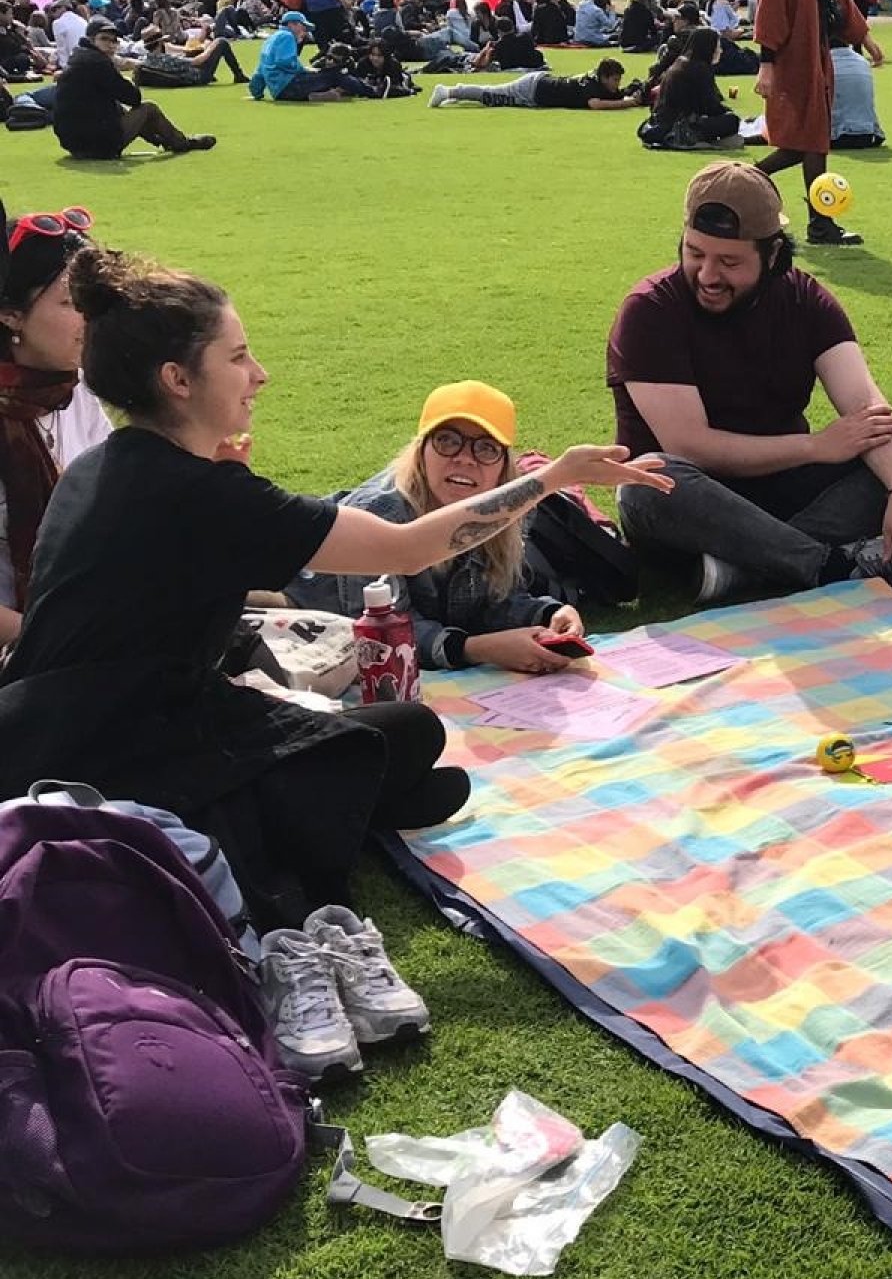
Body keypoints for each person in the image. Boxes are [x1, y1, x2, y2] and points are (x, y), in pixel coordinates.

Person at [0, 245, 671, 934]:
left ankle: (324, 802)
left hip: (42, 724)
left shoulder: (103, 467)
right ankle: (272, 820)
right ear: (177, 379)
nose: (259, 375)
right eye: (238, 357)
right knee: (393, 744)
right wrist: (553, 478)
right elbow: (408, 547)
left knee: (404, 734)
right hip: (116, 750)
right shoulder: (203, 495)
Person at [609, 163, 892, 605]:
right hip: (691, 507)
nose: (707, 275)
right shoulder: (650, 310)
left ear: (772, 254)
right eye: (695, 253)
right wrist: (815, 447)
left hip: (782, 492)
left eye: (729, 262)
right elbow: (690, 446)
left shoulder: (806, 300)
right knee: (645, 480)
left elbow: (866, 407)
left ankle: (744, 567)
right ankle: (827, 565)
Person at [285, 382, 593, 674]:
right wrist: (476, 649)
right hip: (298, 639)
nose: (465, 459)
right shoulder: (379, 514)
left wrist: (548, 614)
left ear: (504, 466)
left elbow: (494, 599)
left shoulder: (505, 509)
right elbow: (383, 636)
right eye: (448, 441)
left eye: (486, 448)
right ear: (421, 450)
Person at [0, 208, 114, 648]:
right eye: (71, 302)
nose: (92, 317)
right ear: (11, 314)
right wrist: (52, 642)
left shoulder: (75, 389)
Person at [753, 0, 870, 246]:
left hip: (814, 50)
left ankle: (748, 181)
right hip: (793, 54)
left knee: (808, 140)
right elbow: (771, 3)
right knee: (811, 139)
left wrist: (864, 37)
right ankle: (818, 222)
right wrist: (767, 62)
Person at [55, 17, 216, 157]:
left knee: (117, 107)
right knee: (149, 108)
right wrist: (130, 77)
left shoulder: (77, 58)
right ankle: (181, 143)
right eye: (104, 39)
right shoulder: (99, 63)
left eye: (114, 41)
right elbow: (134, 98)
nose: (110, 45)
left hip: (73, 144)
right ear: (91, 40)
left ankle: (163, 139)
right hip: (98, 146)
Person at [642, 28, 742, 147]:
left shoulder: (681, 62)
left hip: (662, 122)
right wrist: (727, 112)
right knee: (732, 121)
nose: (720, 51)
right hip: (679, 126)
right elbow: (709, 106)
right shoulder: (699, 68)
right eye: (718, 47)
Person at [251, 11, 375, 100]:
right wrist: (305, 70)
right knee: (335, 75)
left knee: (322, 77)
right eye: (304, 28)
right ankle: (372, 91)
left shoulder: (270, 40)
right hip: (291, 86)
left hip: (279, 93)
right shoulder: (287, 36)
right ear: (292, 24)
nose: (305, 32)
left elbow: (259, 72)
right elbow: (285, 62)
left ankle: (320, 95)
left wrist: (257, 93)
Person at [430, 56, 640, 108]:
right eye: (615, 79)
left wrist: (630, 93)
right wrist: (628, 102)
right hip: (530, 90)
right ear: (604, 77)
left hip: (538, 84)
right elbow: (595, 104)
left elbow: (613, 95)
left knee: (491, 95)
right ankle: (448, 92)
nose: (617, 83)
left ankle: (455, 95)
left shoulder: (598, 81)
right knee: (490, 95)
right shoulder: (592, 86)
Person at [134, 28, 251, 86]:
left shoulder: (146, 60)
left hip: (179, 75)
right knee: (221, 42)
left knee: (192, 53)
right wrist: (210, 47)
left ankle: (238, 75)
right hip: (198, 76)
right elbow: (197, 61)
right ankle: (238, 75)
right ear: (160, 42)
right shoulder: (167, 59)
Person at [829, 40, 885, 147]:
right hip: (867, 135)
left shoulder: (822, 63)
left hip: (835, 136)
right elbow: (878, 55)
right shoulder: (863, 62)